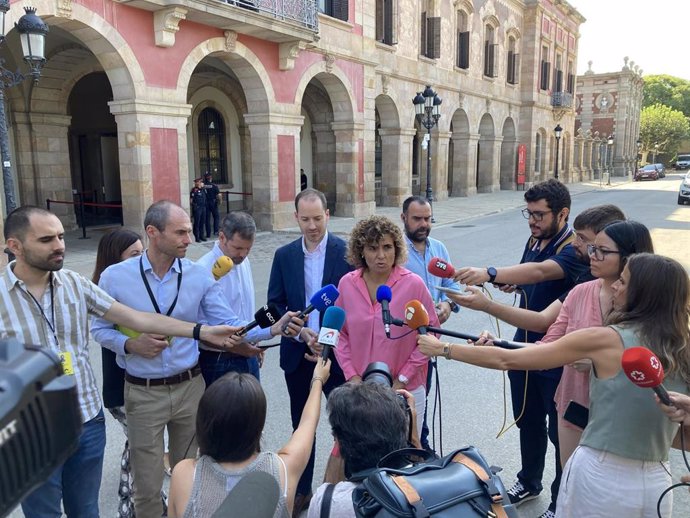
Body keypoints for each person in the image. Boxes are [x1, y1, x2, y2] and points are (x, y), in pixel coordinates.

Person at [0, 206, 236, 518]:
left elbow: (137, 318)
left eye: (60, 235)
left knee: (86, 510)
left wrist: (200, 331)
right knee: (44, 514)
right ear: (14, 245)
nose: (59, 245)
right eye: (46, 239)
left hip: (85, 419)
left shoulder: (74, 283)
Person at [417, 253, 690, 518]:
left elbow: (508, 359)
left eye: (623, 281)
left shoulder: (605, 339)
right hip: (655, 478)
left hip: (605, 475)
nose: (615, 286)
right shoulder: (682, 348)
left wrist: (445, 348)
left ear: (644, 294)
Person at [92, 200, 301, 518]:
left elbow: (229, 326)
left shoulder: (197, 276)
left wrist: (272, 329)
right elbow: (99, 329)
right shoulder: (114, 277)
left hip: (190, 387)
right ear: (153, 232)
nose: (189, 239)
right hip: (142, 391)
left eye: (189, 231)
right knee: (146, 487)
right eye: (180, 232)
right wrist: (130, 346)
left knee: (189, 479)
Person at [453, 179, 589, 518]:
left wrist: (489, 273)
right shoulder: (535, 238)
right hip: (522, 345)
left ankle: (561, 503)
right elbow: (531, 274)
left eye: (540, 215)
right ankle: (529, 481)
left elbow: (543, 271)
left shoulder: (573, 250)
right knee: (526, 419)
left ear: (563, 214)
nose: (532, 221)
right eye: (528, 213)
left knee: (561, 435)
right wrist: (511, 282)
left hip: (557, 355)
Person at [267, 188, 352, 516]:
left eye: (318, 218)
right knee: (301, 426)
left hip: (336, 357)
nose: (312, 225)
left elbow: (353, 307)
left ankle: (345, 489)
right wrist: (299, 331)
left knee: (345, 425)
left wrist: (326, 342)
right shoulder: (284, 255)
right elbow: (275, 306)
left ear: (328, 215)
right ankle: (302, 491)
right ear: (296, 219)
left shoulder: (346, 253)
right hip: (298, 355)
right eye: (306, 219)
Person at [167, 358, 332, 518]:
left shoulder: (185, 474)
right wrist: (318, 379)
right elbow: (308, 423)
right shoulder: (282, 470)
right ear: (257, 427)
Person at [334, 215, 440, 436]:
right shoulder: (347, 284)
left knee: (406, 457)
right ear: (361, 251)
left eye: (387, 247)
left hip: (406, 390)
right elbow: (340, 334)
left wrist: (402, 379)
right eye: (372, 248)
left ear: (397, 249)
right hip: (361, 391)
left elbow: (430, 334)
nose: (381, 256)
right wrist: (352, 376)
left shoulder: (413, 284)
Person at [400, 195, 460, 450]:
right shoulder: (395, 251)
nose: (424, 224)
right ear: (403, 219)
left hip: (430, 342)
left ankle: (420, 448)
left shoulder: (439, 249)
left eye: (428, 219)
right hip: (400, 341)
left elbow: (452, 285)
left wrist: (447, 304)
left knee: (421, 407)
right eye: (417, 219)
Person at [92, 229, 145, 518]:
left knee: (138, 444)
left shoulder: (137, 285)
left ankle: (141, 500)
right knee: (139, 446)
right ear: (115, 260)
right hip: (121, 388)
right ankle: (130, 506)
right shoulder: (107, 293)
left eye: (142, 253)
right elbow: (100, 334)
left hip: (139, 384)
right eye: (133, 255)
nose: (141, 260)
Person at [307, 382, 420, 518]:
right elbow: (425, 467)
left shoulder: (327, 501)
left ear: (339, 440)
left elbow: (330, 489)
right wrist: (412, 431)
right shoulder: (425, 489)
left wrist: (341, 436)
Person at [197, 211, 269, 384]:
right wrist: (240, 347)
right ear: (222, 237)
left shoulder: (243, 262)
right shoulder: (202, 269)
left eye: (248, 249)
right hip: (218, 360)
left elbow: (245, 308)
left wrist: (255, 342)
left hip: (249, 354)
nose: (243, 254)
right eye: (238, 248)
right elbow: (200, 327)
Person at [203, 172, 221, 238]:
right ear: (210, 178)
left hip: (206, 204)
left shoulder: (203, 186)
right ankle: (216, 231)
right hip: (213, 203)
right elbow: (219, 196)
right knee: (216, 217)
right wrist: (219, 202)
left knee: (207, 219)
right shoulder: (214, 185)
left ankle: (208, 234)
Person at [190, 178, 207, 242]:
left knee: (202, 222)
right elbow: (191, 200)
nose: (201, 183)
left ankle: (201, 236)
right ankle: (197, 237)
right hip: (197, 208)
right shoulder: (194, 190)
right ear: (196, 183)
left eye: (201, 182)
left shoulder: (203, 189)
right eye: (199, 182)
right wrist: (195, 206)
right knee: (197, 223)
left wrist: (203, 188)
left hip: (203, 207)